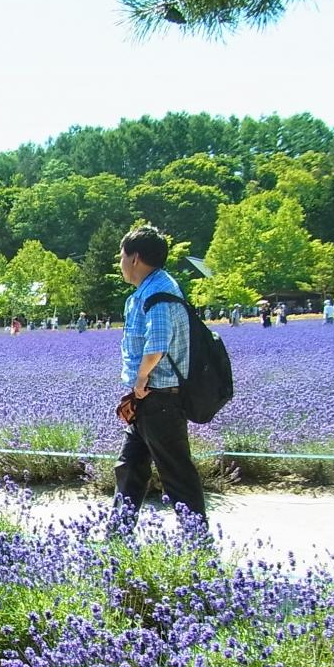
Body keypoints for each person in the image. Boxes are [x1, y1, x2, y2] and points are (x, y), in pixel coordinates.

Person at [114, 225, 207, 526]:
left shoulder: (158, 293)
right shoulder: (152, 289)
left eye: (122, 256)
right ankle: (118, 535)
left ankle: (197, 539)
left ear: (135, 258)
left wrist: (141, 378)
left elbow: (157, 343)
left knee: (176, 473)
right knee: (130, 467)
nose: (120, 263)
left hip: (160, 398)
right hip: (149, 399)